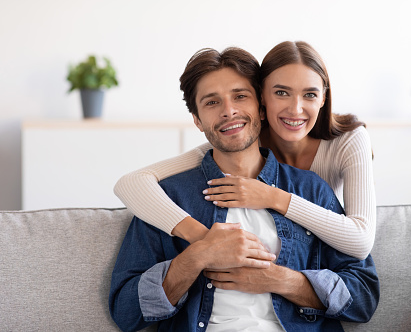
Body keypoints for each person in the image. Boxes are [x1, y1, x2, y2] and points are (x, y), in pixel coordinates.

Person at [109, 47, 379, 331]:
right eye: (212, 102)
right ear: (197, 120)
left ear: (260, 108)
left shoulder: (311, 190)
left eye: (240, 96)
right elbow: (126, 312)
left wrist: (280, 279)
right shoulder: (165, 200)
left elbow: (363, 296)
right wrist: (198, 254)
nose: (229, 111)